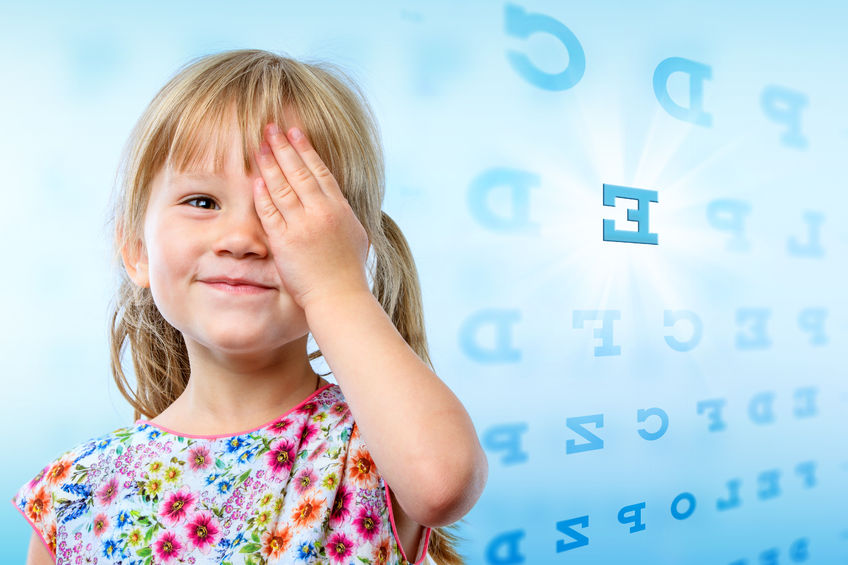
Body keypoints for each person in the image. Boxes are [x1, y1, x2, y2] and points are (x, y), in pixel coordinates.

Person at [11, 48, 487, 564]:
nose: (240, 238)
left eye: (282, 208)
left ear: (348, 248)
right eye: (202, 202)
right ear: (135, 249)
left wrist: (336, 288)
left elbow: (444, 486)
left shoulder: (379, 446)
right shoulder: (73, 492)